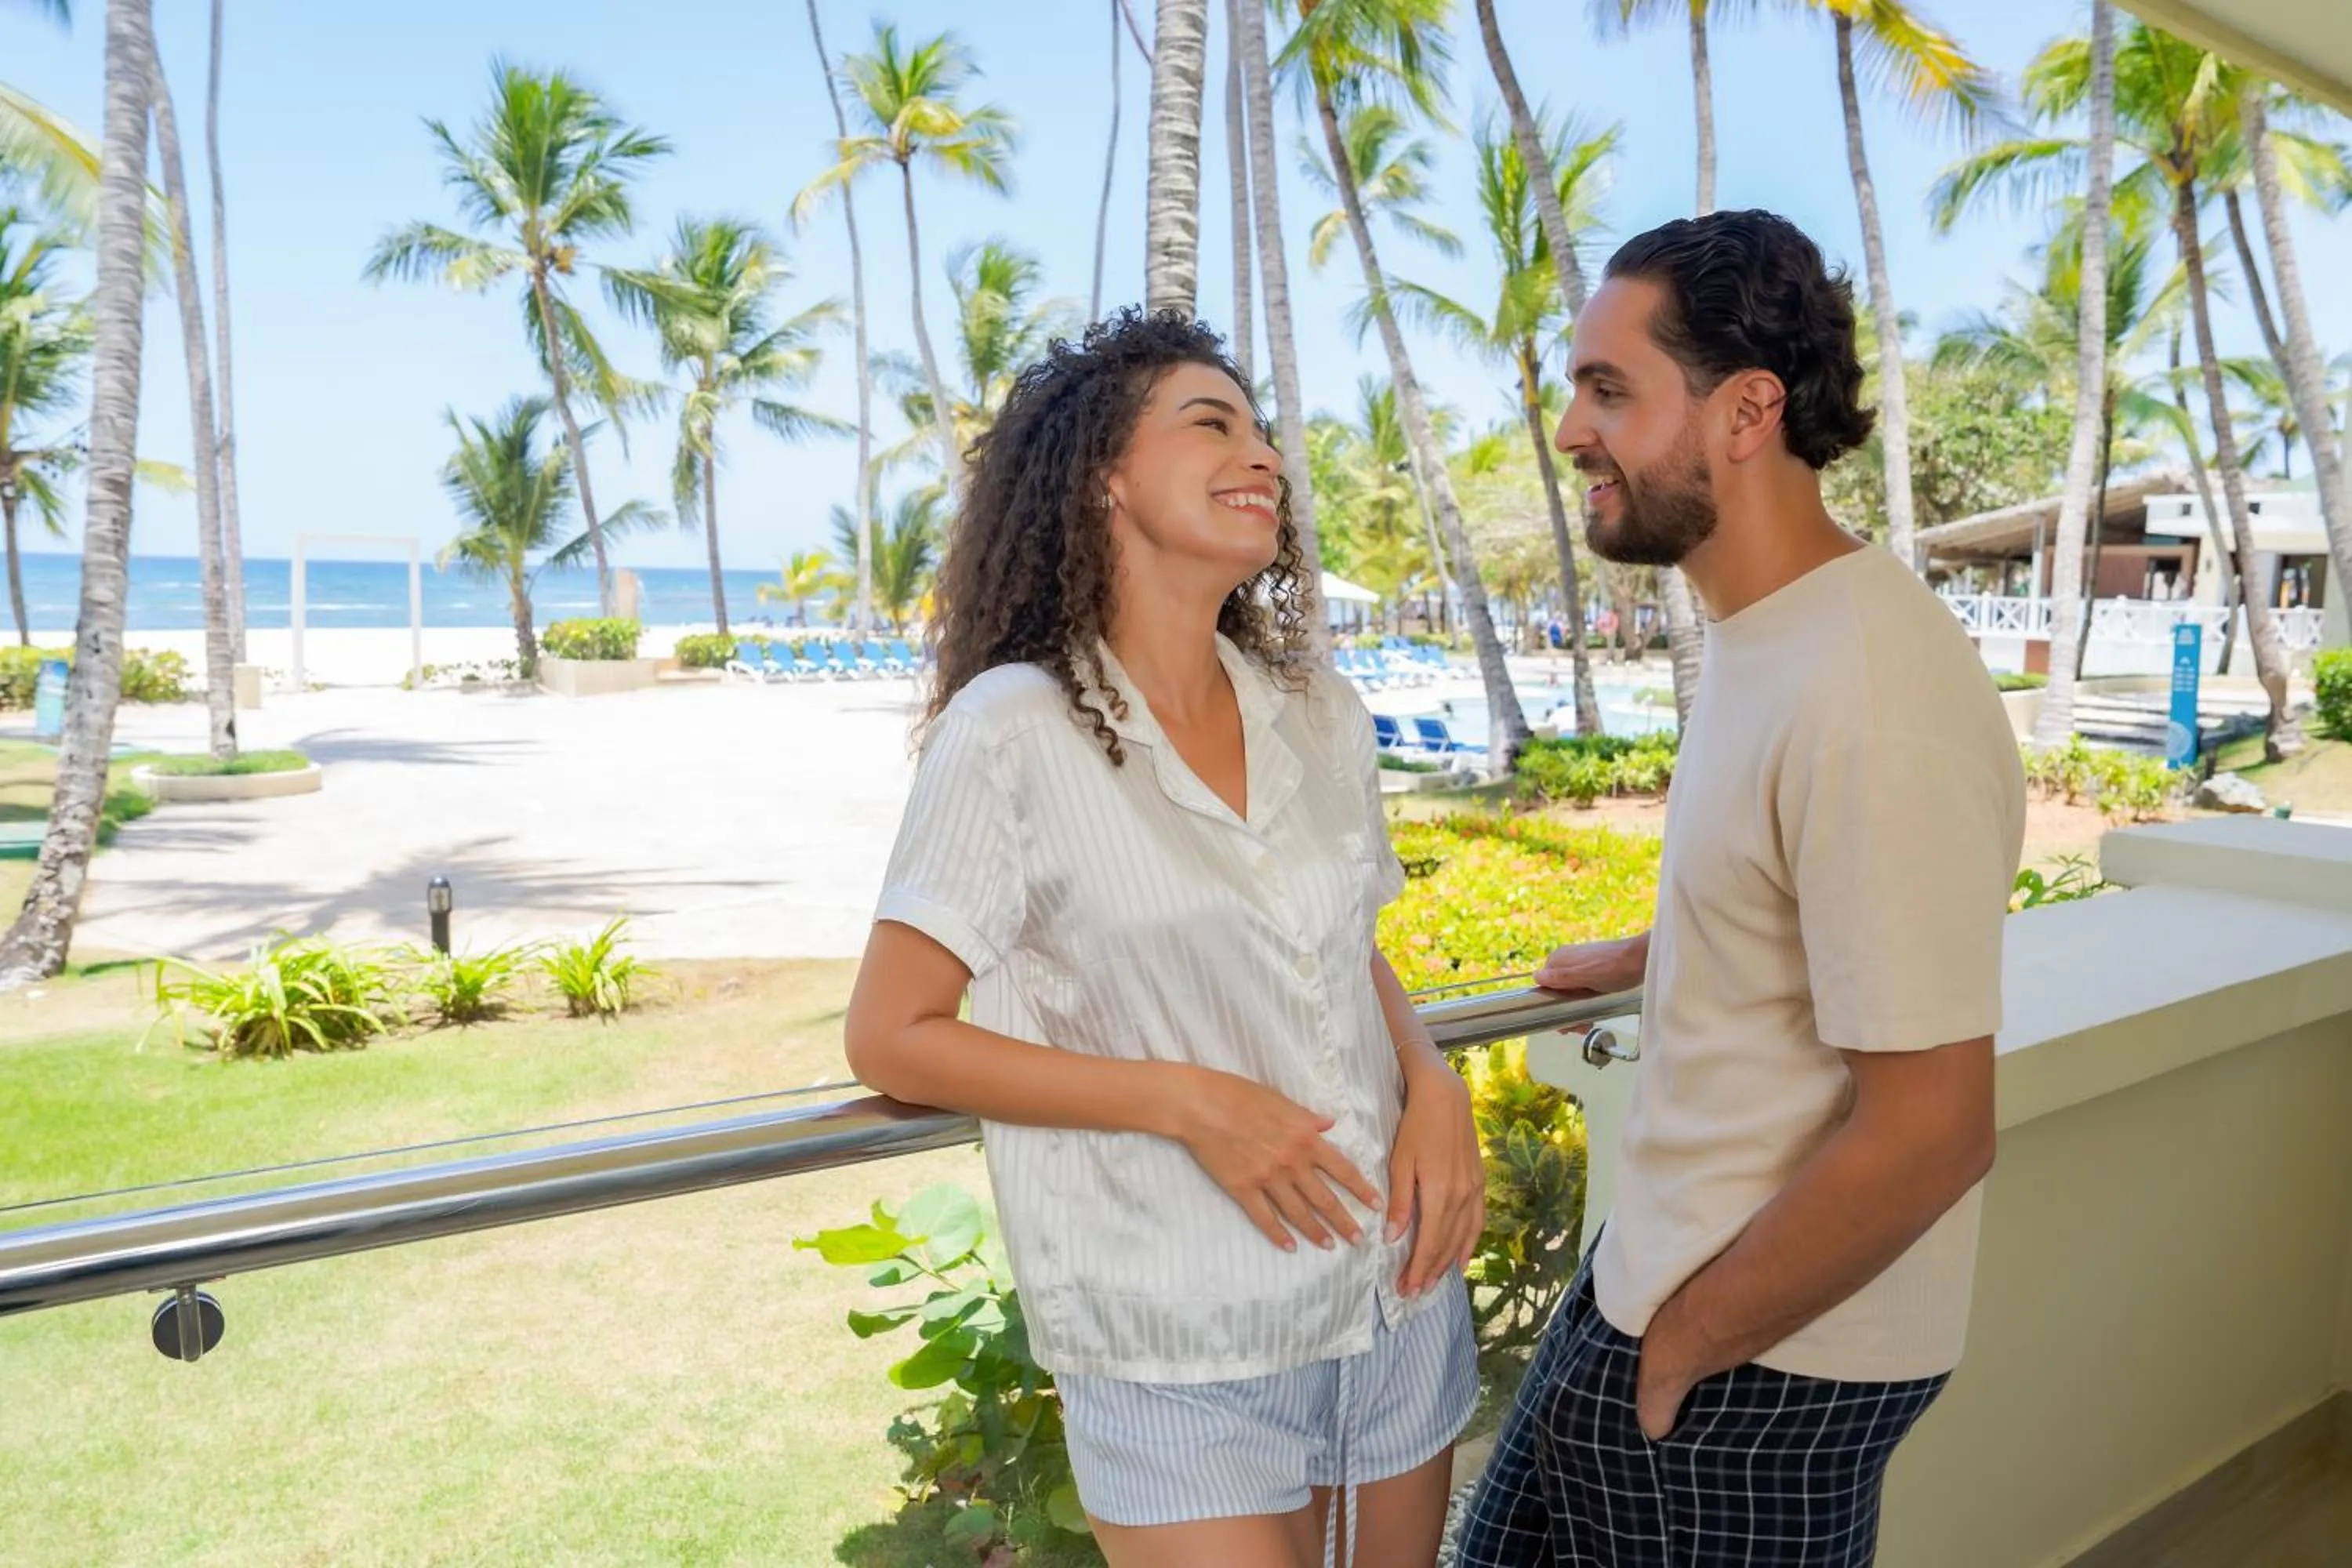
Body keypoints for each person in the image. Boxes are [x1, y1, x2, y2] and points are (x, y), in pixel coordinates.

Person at [844, 309, 1484, 1568]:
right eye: (1212, 423)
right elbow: (894, 1036)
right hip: (1178, 1334)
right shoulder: (1016, 728)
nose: (1263, 454)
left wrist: (1434, 1082)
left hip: (1392, 1290)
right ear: (1104, 476)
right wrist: (1190, 1103)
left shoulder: (1315, 708)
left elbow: (1344, 948)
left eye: (1261, 430)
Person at [1457, 211, 2026, 1566]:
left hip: (1749, 1361)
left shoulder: (1864, 688)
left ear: (1745, 411)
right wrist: (1678, 946)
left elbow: (1936, 1132)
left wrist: (1689, 1345)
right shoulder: (1783, 636)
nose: (1570, 428)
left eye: (1610, 389)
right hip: (1667, 1292)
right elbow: (1822, 888)